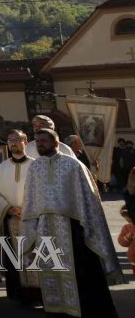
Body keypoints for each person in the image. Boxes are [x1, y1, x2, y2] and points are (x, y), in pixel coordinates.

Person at [21, 128, 123, 318]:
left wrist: (87, 224)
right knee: (51, 268)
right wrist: (30, 226)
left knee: (81, 272)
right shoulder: (35, 167)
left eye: (44, 140)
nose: (40, 144)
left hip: (73, 226)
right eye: (38, 141)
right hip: (45, 227)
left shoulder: (73, 165)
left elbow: (89, 199)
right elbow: (29, 200)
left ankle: (84, 310)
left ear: (56, 143)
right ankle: (59, 310)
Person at [0, 129, 39, 305]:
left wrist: (27, 208)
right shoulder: (2, 167)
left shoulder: (36, 165)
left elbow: (41, 191)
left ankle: (37, 295)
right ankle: (18, 294)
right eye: (10, 140)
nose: (13, 143)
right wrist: (9, 209)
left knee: (35, 257)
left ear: (26, 142)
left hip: (33, 219)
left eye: (17, 139)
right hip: (10, 221)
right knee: (12, 258)